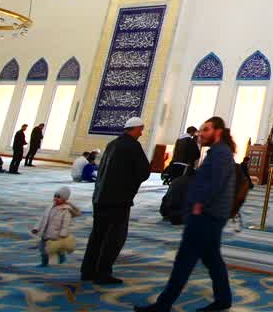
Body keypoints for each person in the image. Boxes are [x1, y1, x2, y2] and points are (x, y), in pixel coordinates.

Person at [135, 117, 235, 312]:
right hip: (211, 215)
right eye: (201, 130)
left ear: (218, 132)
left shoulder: (221, 154)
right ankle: (223, 298)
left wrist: (199, 204)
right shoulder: (218, 152)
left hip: (207, 216)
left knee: (184, 262)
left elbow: (215, 183)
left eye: (206, 130)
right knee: (212, 260)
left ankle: (163, 305)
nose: (201, 133)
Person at [81, 116, 150, 285]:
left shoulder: (112, 144)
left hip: (100, 197)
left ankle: (88, 270)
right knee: (113, 237)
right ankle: (103, 273)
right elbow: (144, 171)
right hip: (118, 200)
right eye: (141, 130)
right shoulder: (133, 146)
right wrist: (129, 183)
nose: (141, 133)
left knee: (98, 234)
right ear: (135, 129)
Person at [32, 186, 81, 267]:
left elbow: (66, 223)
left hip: (56, 234)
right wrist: (36, 228)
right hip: (45, 232)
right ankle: (44, 262)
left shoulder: (66, 210)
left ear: (65, 199)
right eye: (55, 196)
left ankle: (61, 256)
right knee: (42, 248)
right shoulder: (50, 207)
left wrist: (63, 233)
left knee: (55, 248)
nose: (56, 198)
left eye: (59, 197)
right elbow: (43, 218)